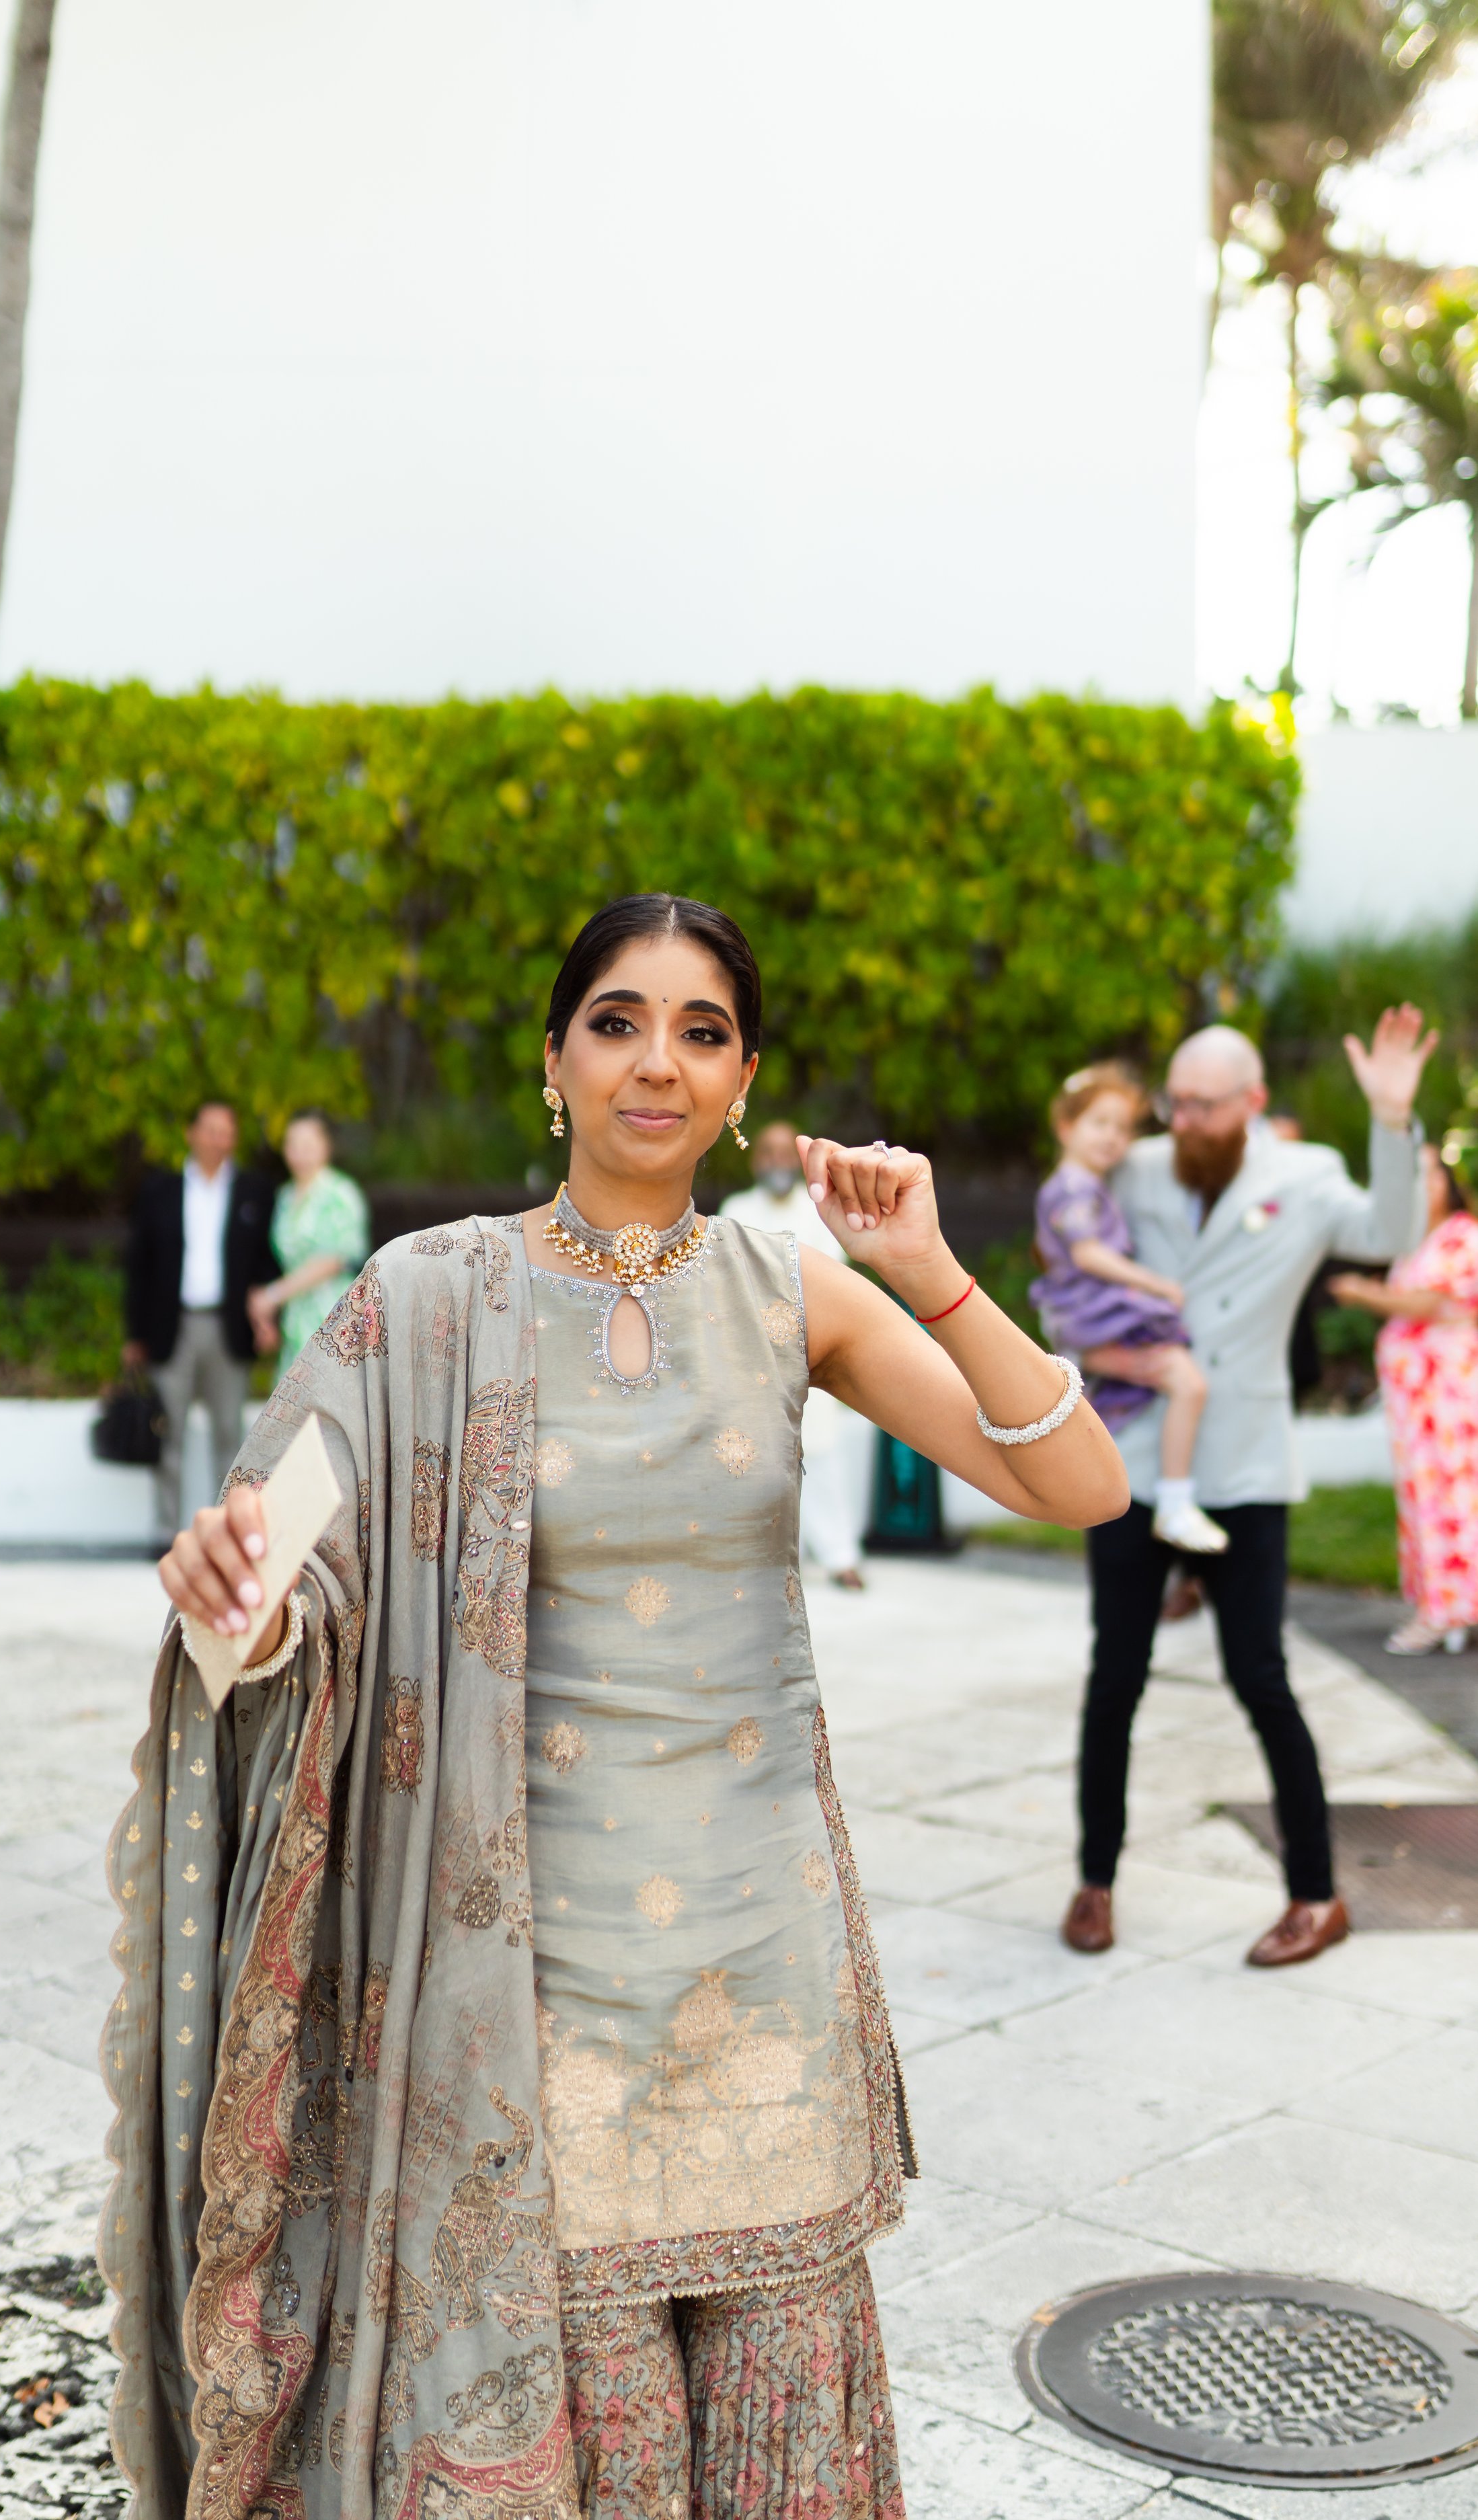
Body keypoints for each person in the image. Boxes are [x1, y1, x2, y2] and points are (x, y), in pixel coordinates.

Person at [106, 893, 1127, 2520]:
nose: (658, 1059)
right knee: (604, 2464)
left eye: (701, 1030)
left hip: (767, 1970)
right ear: (555, 1062)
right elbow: (289, 1589)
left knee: (785, 2449)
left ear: (742, 1082)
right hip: (533, 2001)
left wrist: (925, 1266)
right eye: (619, 1021)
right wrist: (242, 1600)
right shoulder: (426, 1298)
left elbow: (1080, 1480)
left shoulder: (797, 1289)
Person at [1062, 1013, 1434, 1969]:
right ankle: (1094, 1882)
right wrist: (1089, 1350)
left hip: (1244, 1468)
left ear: (1253, 1103)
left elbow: (1392, 1232)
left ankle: (1317, 1895)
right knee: (1116, 1680)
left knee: (1260, 1678)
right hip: (1138, 1461)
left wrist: (1393, 1119)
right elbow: (1067, 1263)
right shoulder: (1137, 1169)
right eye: (1174, 1103)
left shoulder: (1304, 1182)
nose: (1182, 1121)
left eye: (1203, 1105)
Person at [1032, 1063, 1229, 1555]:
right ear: (1066, 1127)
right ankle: (1175, 1500)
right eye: (1100, 1124)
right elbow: (1088, 1253)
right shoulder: (1074, 1188)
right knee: (1188, 1382)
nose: (1113, 1139)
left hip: (1091, 1316)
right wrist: (1157, 1284)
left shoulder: (1084, 1185)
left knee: (1167, 1386)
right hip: (1096, 1312)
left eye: (1122, 1129)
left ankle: (1162, 1497)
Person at [1330, 1139, 1478, 1657]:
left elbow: (1426, 1302)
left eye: (1431, 1174)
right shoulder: (1415, 1242)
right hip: (1418, 1401)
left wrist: (1362, 1292)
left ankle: (1448, 1610)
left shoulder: (1462, 1236)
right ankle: (1445, 1606)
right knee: (1425, 1496)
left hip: (1452, 1398)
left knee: (1454, 1498)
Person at [722, 1118, 879, 1586]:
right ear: (756, 1160)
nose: (776, 1161)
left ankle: (839, 1557)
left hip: (810, 1345)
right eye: (767, 1152)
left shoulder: (818, 1211)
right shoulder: (737, 1208)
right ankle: (755, 1560)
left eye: (784, 1153)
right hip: (748, 1348)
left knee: (823, 1450)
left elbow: (831, 1277)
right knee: (749, 1454)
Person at [122, 1099, 275, 1542]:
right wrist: (135, 1334)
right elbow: (140, 1265)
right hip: (174, 1326)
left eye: (226, 1131)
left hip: (227, 1327)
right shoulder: (161, 1190)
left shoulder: (252, 1191)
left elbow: (263, 1260)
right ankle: (164, 1529)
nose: (218, 1140)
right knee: (168, 1430)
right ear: (191, 1133)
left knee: (230, 1431)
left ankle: (228, 1535)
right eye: (210, 1130)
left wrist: (265, 1315)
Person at [247, 1109, 371, 1375]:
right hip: (295, 1319)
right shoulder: (285, 1197)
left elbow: (334, 1260)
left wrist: (274, 1295)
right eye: (292, 1146)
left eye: (308, 1146)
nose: (299, 1154)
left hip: (333, 1314)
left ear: (326, 1147)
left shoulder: (340, 1194)